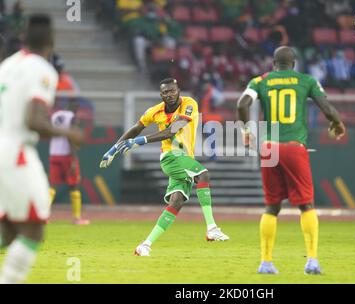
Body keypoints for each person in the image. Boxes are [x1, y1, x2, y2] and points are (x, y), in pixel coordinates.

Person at [236, 46, 345, 275]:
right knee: (305, 205)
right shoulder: (306, 80)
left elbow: (242, 105)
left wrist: (246, 130)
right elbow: (326, 108)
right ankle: (312, 261)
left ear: (273, 63)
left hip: (269, 147)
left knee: (272, 206)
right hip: (294, 147)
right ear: (294, 63)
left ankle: (266, 263)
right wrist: (337, 123)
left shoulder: (260, 80)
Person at [99, 78, 230, 256]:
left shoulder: (189, 104)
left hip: (184, 158)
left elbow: (173, 129)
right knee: (203, 175)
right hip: (172, 157)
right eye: (165, 92)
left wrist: (142, 140)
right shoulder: (154, 111)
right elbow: (136, 128)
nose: (169, 94)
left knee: (176, 202)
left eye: (172, 91)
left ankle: (145, 245)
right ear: (161, 95)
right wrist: (113, 149)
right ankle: (212, 228)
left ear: (178, 91)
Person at [0, 14, 84, 283]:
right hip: (16, 152)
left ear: (24, 37)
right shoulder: (43, 70)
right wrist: (68, 132)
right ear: (51, 41)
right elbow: (34, 121)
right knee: (35, 229)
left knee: (11, 227)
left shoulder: (7, 65)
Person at [48, 101, 89, 225]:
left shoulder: (55, 116)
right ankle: (77, 218)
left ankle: (42, 216)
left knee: (52, 186)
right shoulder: (71, 117)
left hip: (54, 153)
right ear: (75, 109)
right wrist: (73, 157)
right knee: (74, 184)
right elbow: (70, 136)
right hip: (66, 155)